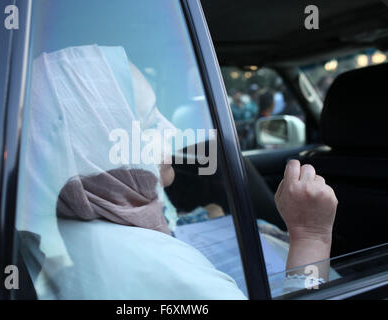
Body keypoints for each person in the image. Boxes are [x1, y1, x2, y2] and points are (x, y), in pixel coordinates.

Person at [17, 45, 338, 299]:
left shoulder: (44, 229)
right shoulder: (161, 267)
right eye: (151, 122)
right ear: (98, 142)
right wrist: (312, 236)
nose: (172, 130)